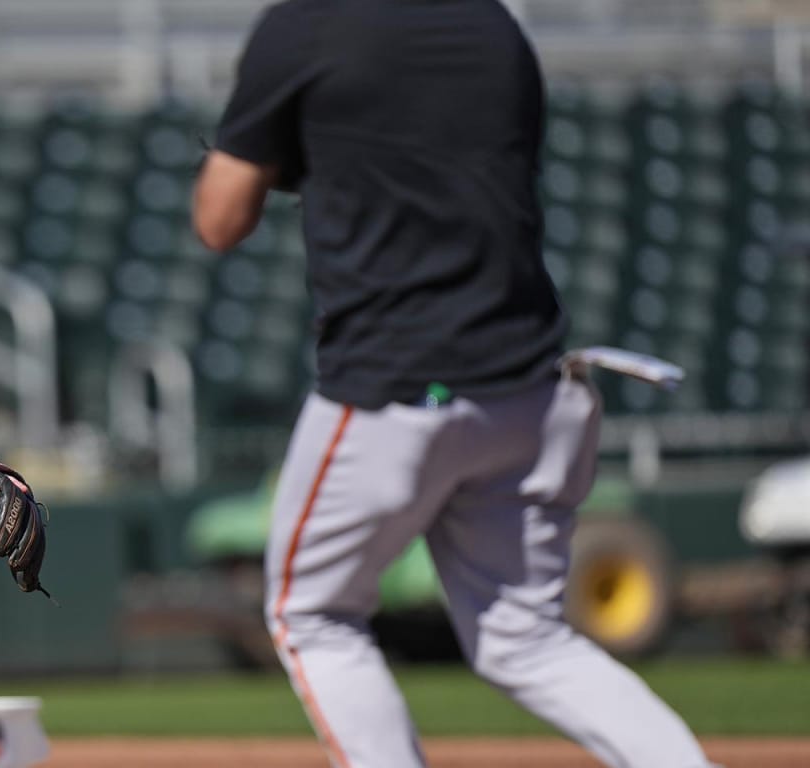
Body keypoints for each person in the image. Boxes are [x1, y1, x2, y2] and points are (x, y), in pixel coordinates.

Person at [191, 2, 716, 767]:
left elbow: (220, 219)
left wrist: (265, 144)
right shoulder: (493, 25)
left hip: (397, 388)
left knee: (312, 616)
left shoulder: (307, 24)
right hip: (531, 386)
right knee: (528, 639)